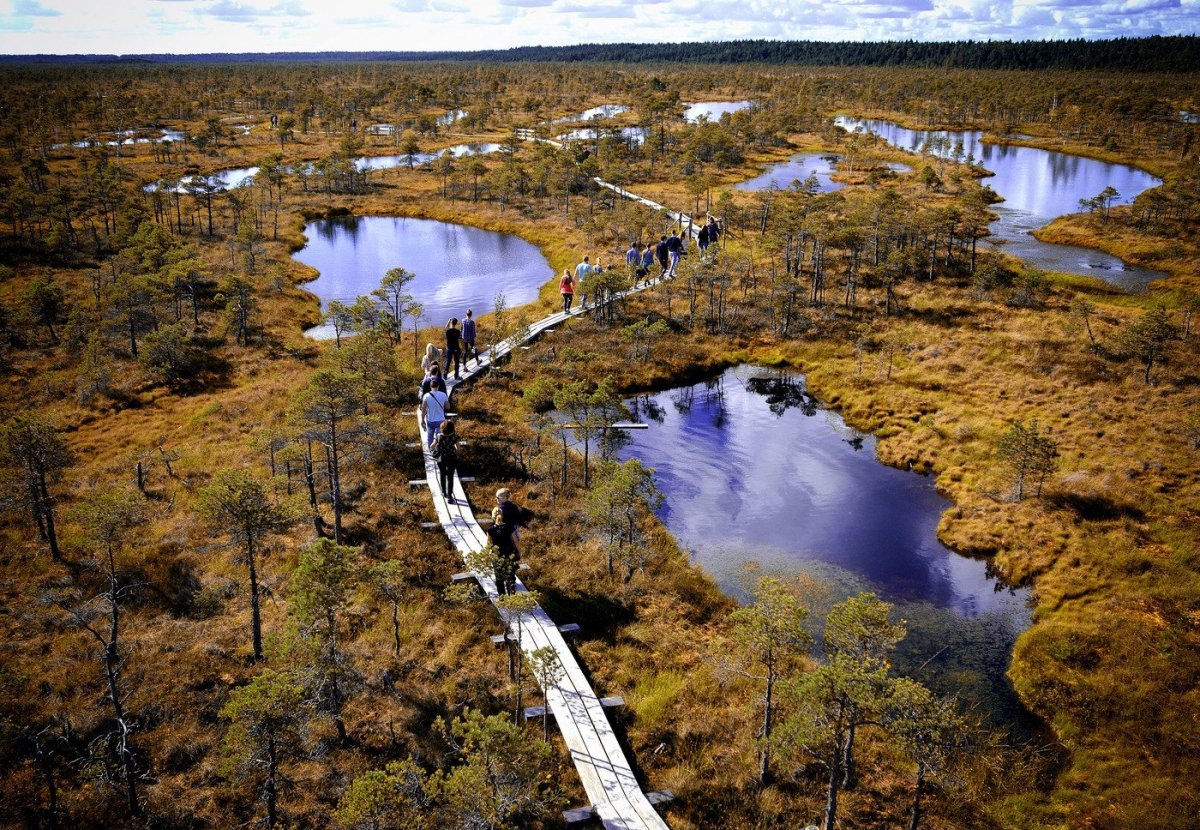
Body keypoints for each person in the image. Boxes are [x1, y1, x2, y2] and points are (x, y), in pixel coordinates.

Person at [486, 506, 519, 596]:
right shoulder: (509, 527)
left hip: (497, 555)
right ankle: (512, 592)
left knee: (499, 576)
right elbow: (515, 541)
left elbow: (488, 544)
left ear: (493, 516)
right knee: (509, 573)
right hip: (509, 552)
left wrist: (487, 555)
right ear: (502, 515)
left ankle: (502, 597)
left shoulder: (490, 530)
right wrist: (519, 551)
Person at [430, 419, 460, 498]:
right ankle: (450, 495)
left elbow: (431, 446)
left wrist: (434, 449)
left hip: (441, 458)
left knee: (442, 474)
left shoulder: (439, 436)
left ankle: (443, 492)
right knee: (450, 477)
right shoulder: (454, 437)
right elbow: (458, 448)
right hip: (452, 458)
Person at [420, 381, 449, 447]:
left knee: (430, 436)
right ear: (438, 386)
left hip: (430, 419)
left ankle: (431, 450)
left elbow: (423, 409)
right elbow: (448, 407)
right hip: (441, 420)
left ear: (430, 387)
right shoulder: (443, 394)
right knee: (439, 437)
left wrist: (422, 420)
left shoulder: (426, 396)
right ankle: (438, 451)